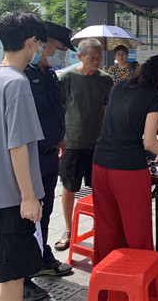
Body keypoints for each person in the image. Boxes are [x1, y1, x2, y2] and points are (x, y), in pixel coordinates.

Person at [92, 55, 158, 264]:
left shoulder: (119, 86)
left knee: (106, 228)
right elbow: (149, 142)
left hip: (100, 163)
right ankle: (140, 278)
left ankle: (106, 278)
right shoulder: (154, 95)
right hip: (128, 170)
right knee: (137, 229)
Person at [0, 11, 46, 301]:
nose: (39, 48)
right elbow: (17, 145)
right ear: (32, 41)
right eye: (39, 43)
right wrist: (28, 197)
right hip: (14, 196)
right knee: (14, 274)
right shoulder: (17, 83)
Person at [22, 22, 75, 300]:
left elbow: (56, 110)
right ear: (44, 44)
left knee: (45, 211)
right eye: (60, 48)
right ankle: (23, 277)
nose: (62, 54)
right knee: (27, 218)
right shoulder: (23, 75)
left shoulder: (50, 74)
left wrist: (60, 137)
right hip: (31, 157)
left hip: (51, 154)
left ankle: (43, 259)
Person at [55, 38, 113, 251]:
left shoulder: (105, 80)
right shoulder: (66, 78)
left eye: (99, 58)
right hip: (72, 143)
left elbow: (107, 111)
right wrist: (58, 139)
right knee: (69, 186)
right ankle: (68, 229)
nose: (96, 62)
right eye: (92, 58)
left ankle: (102, 227)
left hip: (98, 144)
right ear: (80, 57)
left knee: (100, 189)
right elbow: (57, 111)